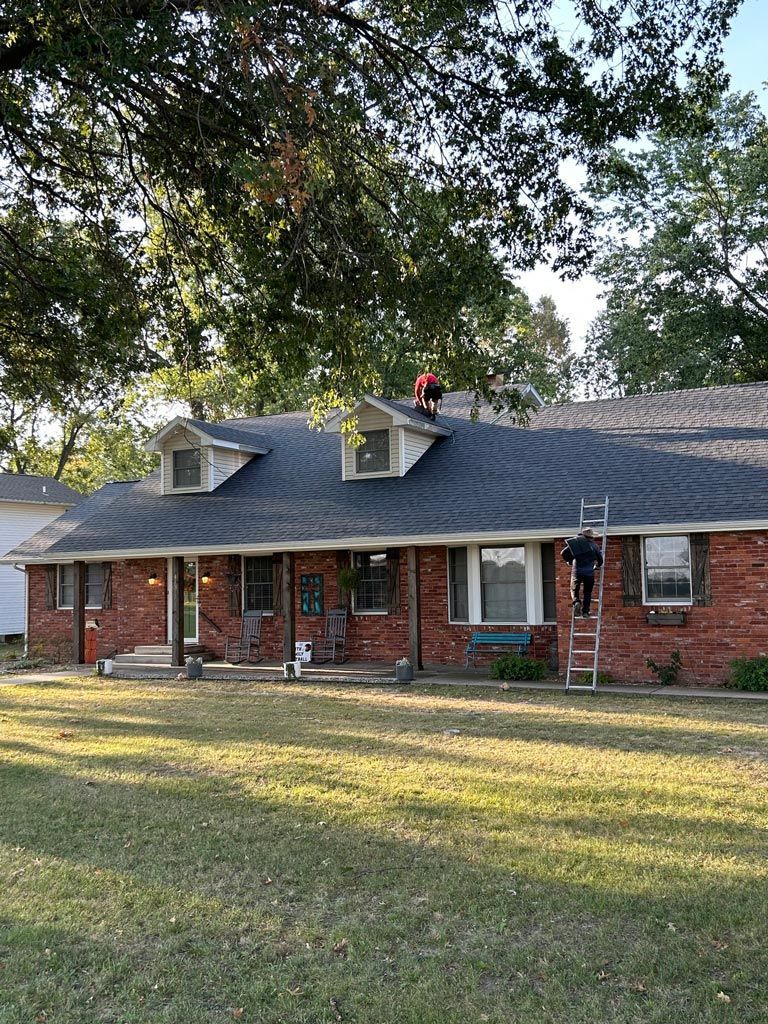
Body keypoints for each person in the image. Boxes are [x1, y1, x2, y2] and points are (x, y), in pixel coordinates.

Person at [561, 527, 604, 618]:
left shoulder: (575, 544)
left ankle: (576, 601)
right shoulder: (594, 546)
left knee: (574, 589)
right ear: (591, 537)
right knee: (587, 593)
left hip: (577, 572)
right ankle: (585, 612)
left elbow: (563, 553)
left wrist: (569, 561)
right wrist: (597, 565)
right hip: (589, 573)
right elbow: (600, 560)